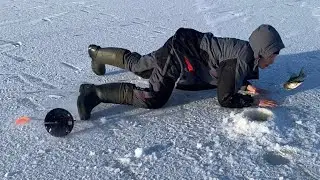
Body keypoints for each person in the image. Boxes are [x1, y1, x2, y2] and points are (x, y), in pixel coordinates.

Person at [77, 24, 285, 120]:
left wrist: (245, 85)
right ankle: (94, 93)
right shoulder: (239, 58)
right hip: (180, 54)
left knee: (141, 66)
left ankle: (97, 54)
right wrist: (253, 101)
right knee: (154, 98)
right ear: (262, 51)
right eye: (272, 55)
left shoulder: (244, 53)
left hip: (184, 44)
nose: (273, 61)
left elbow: (226, 73)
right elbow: (225, 98)